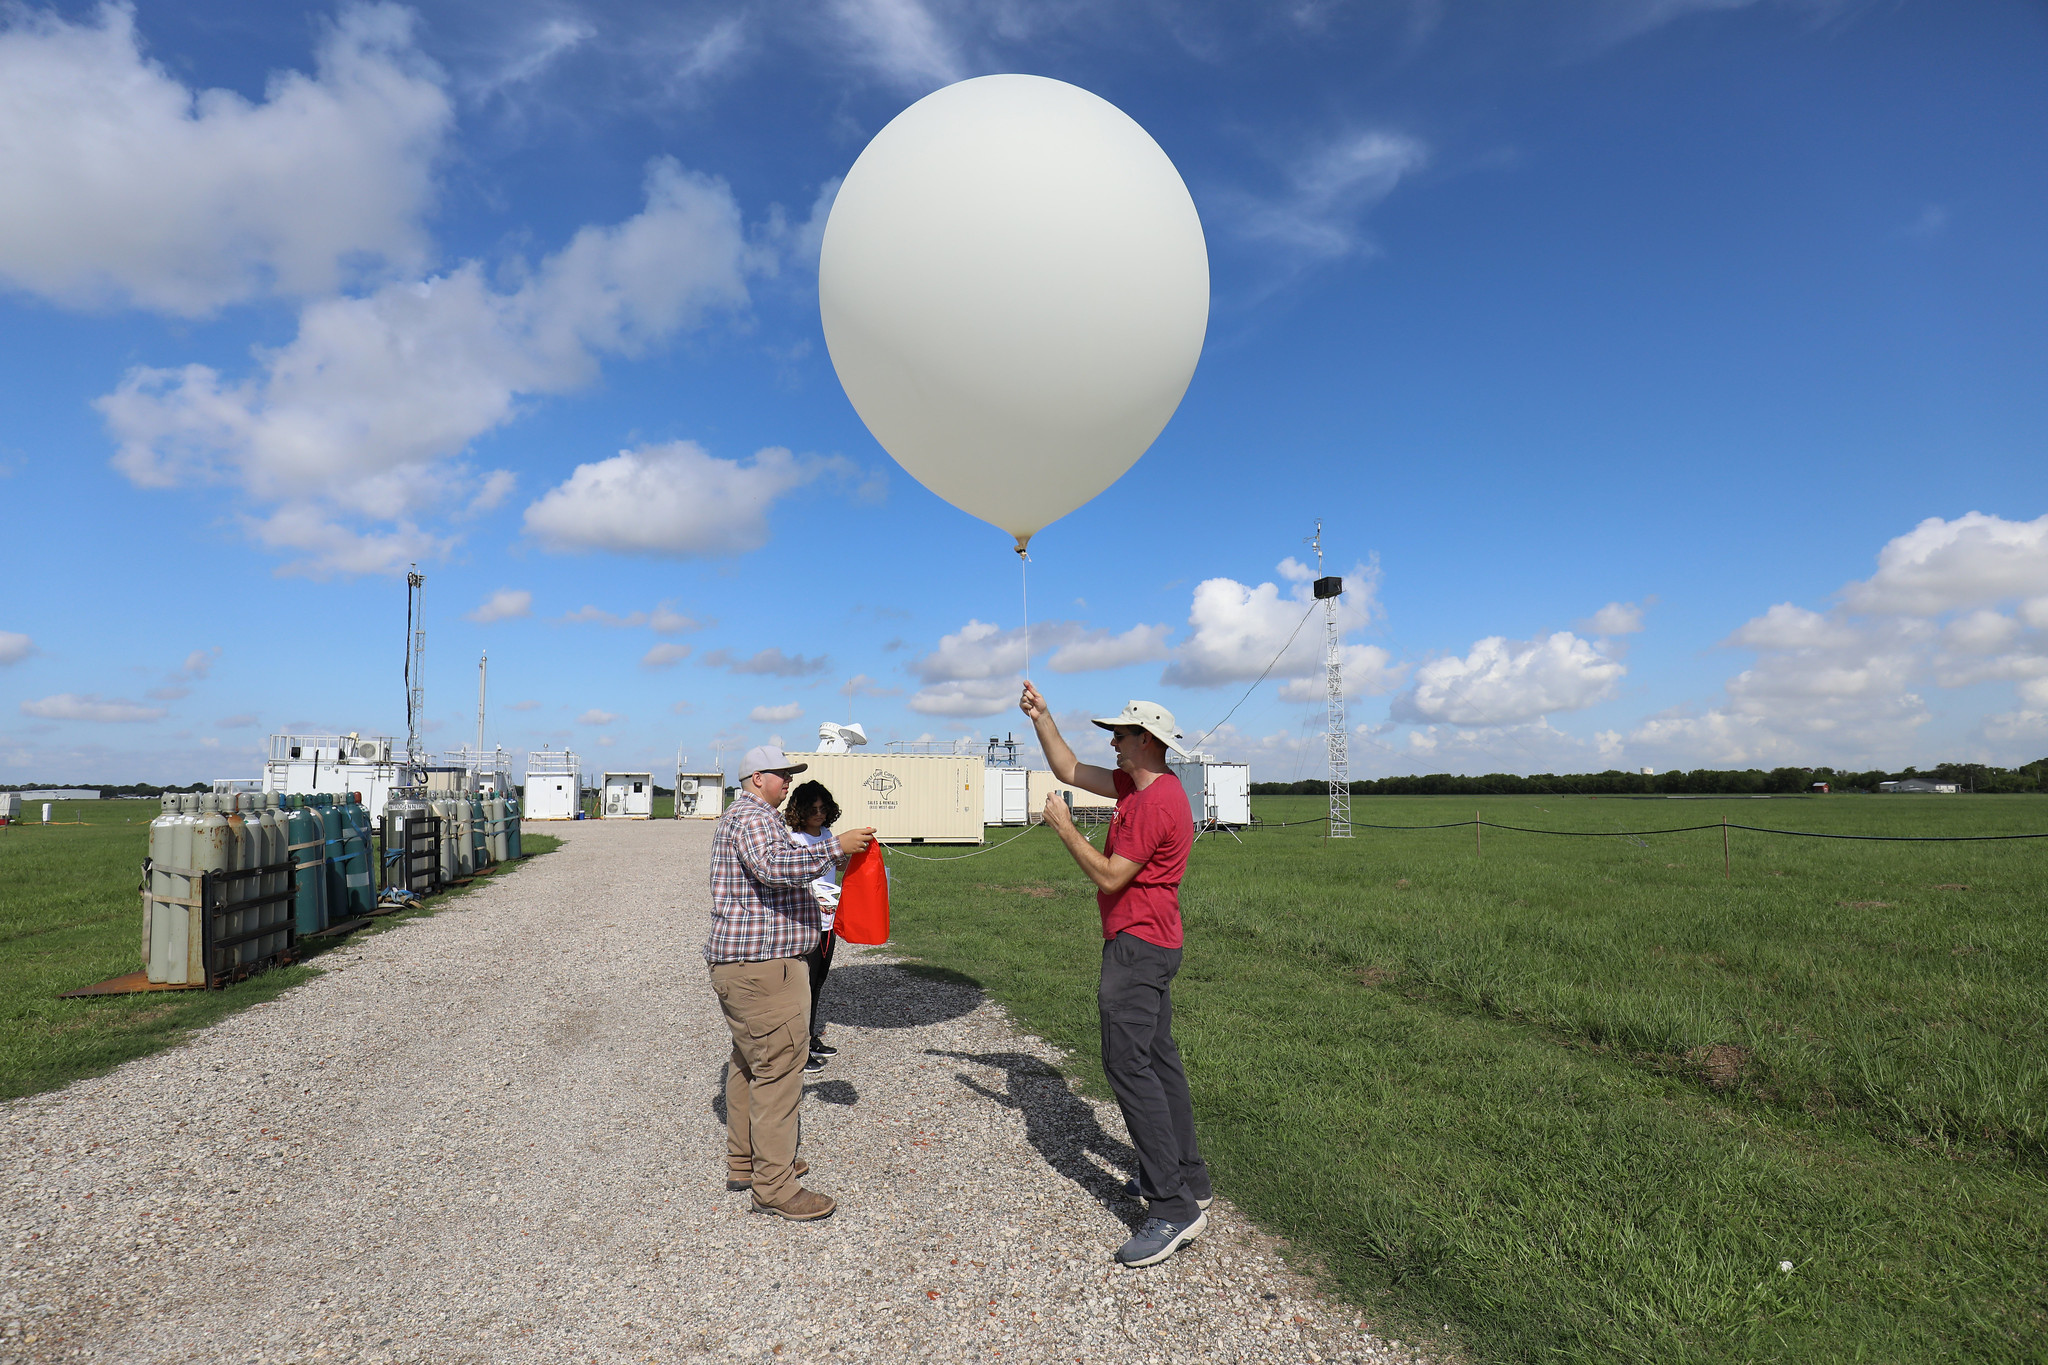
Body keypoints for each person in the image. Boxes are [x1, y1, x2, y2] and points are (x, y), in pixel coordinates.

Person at [1018, 681, 1214, 1267]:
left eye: (1121, 735)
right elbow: (1071, 768)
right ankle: (1190, 1177)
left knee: (1127, 1066)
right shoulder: (1143, 785)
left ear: (1149, 741)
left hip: (1136, 949)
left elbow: (1108, 877)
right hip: (1153, 943)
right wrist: (1041, 716)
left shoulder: (1154, 804)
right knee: (1157, 1059)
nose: (1114, 744)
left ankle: (1173, 1207)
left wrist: (1064, 827)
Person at [705, 745, 874, 1222]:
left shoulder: (752, 817)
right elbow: (774, 869)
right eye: (783, 775)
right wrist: (835, 847)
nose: (788, 783)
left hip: (747, 967)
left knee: (749, 1062)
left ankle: (749, 1162)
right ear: (756, 777)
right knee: (779, 1071)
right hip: (764, 967)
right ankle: (775, 1187)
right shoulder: (754, 818)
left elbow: (774, 867)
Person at [785, 779, 843, 1072]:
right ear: (801, 811)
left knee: (818, 982)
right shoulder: (794, 840)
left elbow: (834, 866)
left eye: (823, 809)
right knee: (802, 987)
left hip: (827, 921)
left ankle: (810, 1036)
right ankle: (799, 1049)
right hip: (805, 922)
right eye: (813, 809)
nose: (819, 814)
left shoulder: (828, 835)